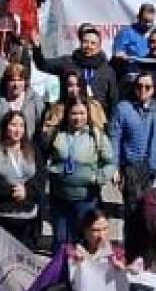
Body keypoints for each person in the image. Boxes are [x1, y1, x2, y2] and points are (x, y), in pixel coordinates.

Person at [45, 99, 115, 248]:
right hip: (60, 198)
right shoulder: (58, 134)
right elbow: (44, 157)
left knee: (85, 242)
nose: (78, 117)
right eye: (74, 113)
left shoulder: (96, 136)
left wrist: (99, 177)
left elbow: (110, 162)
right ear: (68, 115)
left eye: (82, 113)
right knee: (61, 241)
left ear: (88, 114)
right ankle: (61, 270)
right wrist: (52, 170)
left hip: (86, 200)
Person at [0, 110, 47, 248]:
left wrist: (27, 191)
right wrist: (12, 191)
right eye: (13, 125)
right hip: (2, 216)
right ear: (5, 127)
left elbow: (40, 177)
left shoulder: (33, 149)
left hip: (28, 216)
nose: (18, 130)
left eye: (21, 125)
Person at [112, 69, 156, 208]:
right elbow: (114, 139)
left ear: (154, 89)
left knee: (149, 208)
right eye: (139, 86)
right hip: (131, 167)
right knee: (133, 208)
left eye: (147, 87)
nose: (143, 90)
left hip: (152, 167)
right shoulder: (123, 108)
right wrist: (115, 167)